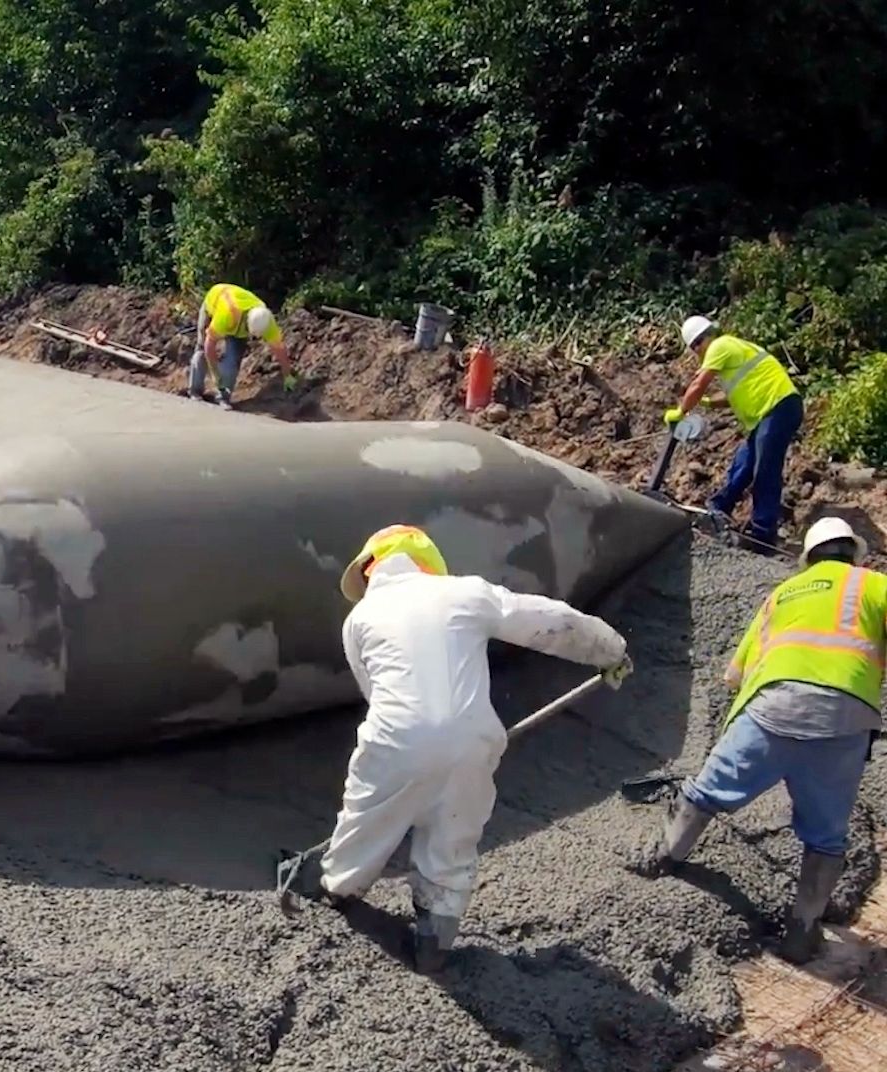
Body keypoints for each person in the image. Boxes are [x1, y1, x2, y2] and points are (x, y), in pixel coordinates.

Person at [279, 524, 631, 973]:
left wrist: (414, 765)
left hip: (395, 736)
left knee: (366, 819)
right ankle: (433, 944)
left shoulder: (359, 620)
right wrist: (610, 650)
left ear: (370, 570)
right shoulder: (466, 593)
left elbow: (375, 692)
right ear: (428, 562)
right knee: (453, 833)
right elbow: (550, 621)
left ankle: (339, 889)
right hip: (473, 738)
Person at [636, 516, 883, 963]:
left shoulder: (780, 595)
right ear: (852, 553)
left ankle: (665, 860)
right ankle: (802, 934)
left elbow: (734, 675)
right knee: (827, 836)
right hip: (843, 721)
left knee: (707, 790)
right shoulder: (873, 586)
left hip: (771, 710)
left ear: (808, 559)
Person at [665, 317, 803, 548]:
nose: (697, 353)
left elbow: (699, 384)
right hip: (769, 414)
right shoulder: (733, 350)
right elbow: (731, 396)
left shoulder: (720, 346)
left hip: (778, 408)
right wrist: (707, 403)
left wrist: (681, 411)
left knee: (765, 470)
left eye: (695, 347)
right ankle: (718, 509)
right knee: (744, 464)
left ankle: (762, 533)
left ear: (699, 342)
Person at [190, 283, 293, 406]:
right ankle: (195, 391)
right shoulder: (227, 314)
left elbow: (279, 349)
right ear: (246, 321)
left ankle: (223, 396)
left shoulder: (266, 321)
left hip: (237, 324)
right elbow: (209, 344)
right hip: (213, 306)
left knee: (233, 361)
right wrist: (215, 374)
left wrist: (288, 375)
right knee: (201, 349)